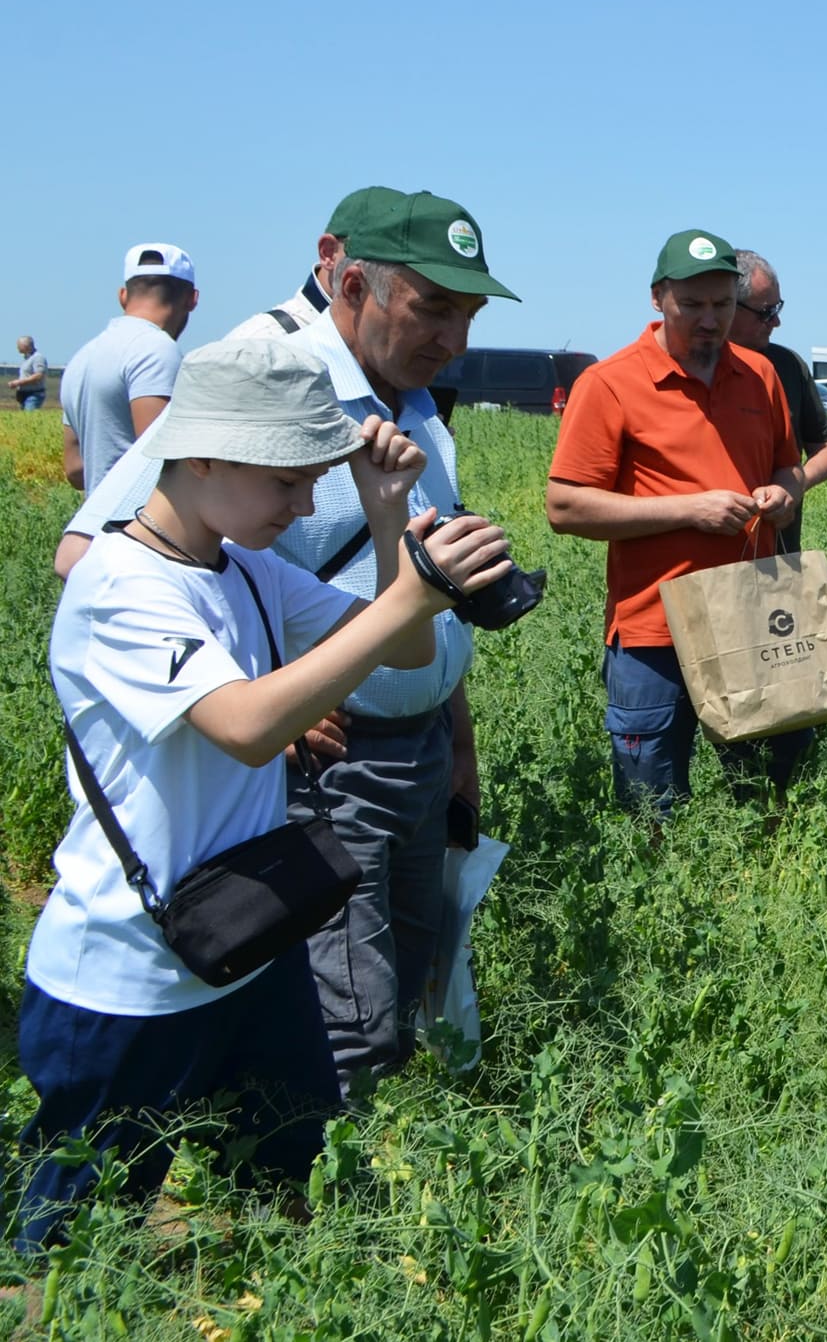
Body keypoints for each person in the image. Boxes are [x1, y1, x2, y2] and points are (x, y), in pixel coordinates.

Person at [13, 338, 512, 1252]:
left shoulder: (244, 568)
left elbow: (400, 651)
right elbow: (244, 724)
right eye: (287, 480)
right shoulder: (119, 584)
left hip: (249, 933)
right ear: (201, 454)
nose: (299, 504)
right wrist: (421, 593)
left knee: (286, 1163)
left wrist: (385, 509)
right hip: (130, 969)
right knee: (76, 1235)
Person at [60, 191, 521, 1095]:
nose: (454, 339)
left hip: (416, 746)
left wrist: (455, 738)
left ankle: (344, 1172)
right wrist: (260, 695)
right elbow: (94, 552)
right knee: (342, 1016)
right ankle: (325, 1196)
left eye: (469, 315)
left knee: (404, 976)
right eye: (434, 307)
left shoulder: (417, 402)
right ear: (351, 281)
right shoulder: (258, 376)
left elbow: (409, 603)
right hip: (325, 759)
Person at [546, 229, 806, 812]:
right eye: (692, 305)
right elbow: (565, 506)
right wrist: (690, 509)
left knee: (764, 792)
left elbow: (789, 468)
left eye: (723, 304)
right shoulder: (609, 384)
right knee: (651, 804)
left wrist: (782, 494)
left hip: (751, 618)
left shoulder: (759, 376)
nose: (709, 320)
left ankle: (751, 894)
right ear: (658, 298)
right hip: (653, 630)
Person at [60, 243, 199, 493]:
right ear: (192, 299)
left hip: (95, 522)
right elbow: (161, 458)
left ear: (123, 296)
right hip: (138, 523)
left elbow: (74, 470)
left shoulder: (82, 357)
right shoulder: (157, 350)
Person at [729, 248, 827, 551]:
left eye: (777, 308)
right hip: (708, 565)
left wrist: (791, 486)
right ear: (729, 306)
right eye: (765, 312)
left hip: (778, 553)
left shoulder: (788, 366)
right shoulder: (696, 368)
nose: (776, 322)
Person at [224, 188, 403, 341]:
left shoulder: (407, 353)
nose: (393, 277)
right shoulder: (262, 343)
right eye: (378, 259)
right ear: (328, 253)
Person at [12, 335, 46, 410]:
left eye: (19, 345)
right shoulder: (27, 359)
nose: (17, 347)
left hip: (33, 394)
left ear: (26, 346)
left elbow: (39, 376)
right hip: (23, 395)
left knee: (29, 417)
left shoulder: (38, 358)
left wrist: (19, 382)